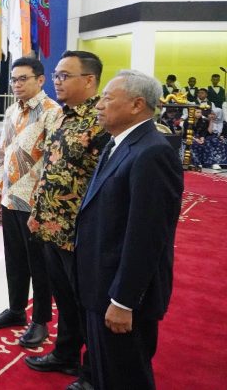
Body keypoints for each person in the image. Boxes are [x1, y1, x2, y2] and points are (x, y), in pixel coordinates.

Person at [76, 70, 183, 389]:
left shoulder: (152, 152)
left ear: (137, 105)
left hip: (120, 297)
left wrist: (123, 301)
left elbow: (147, 237)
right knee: (108, 373)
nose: (98, 105)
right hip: (101, 285)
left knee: (126, 377)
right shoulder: (119, 143)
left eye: (107, 98)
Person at [24, 51, 110, 389]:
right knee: (64, 298)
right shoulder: (63, 115)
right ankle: (65, 353)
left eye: (65, 75)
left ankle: (92, 371)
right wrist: (38, 213)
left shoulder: (101, 120)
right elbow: (54, 168)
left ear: (89, 80)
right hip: (51, 226)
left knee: (87, 303)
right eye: (56, 75)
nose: (56, 81)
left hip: (79, 232)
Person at [0, 57, 60, 347]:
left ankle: (40, 320)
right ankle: (16, 310)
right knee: (15, 260)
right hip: (11, 198)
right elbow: (3, 154)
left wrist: (42, 206)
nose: (16, 84)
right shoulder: (13, 109)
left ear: (40, 80)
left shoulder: (53, 113)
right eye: (14, 79)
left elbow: (53, 164)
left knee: (39, 264)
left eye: (23, 78)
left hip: (35, 205)